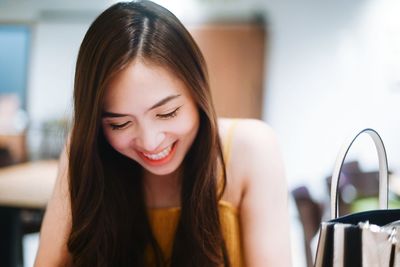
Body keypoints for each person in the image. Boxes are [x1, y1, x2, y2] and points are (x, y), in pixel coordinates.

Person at [34, 1, 291, 266]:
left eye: (167, 113)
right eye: (120, 124)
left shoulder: (252, 148)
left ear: (197, 92)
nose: (150, 141)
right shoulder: (86, 147)